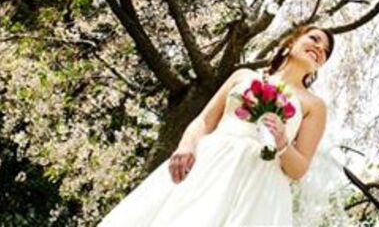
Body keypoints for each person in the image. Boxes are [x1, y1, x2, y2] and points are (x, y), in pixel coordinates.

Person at [97, 24, 335, 226]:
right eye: (314, 39)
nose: (319, 48)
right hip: (213, 161)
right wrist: (186, 146)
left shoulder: (314, 105)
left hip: (260, 183)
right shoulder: (243, 76)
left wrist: (282, 142)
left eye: (325, 51)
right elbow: (204, 120)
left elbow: (298, 169)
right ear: (291, 42)